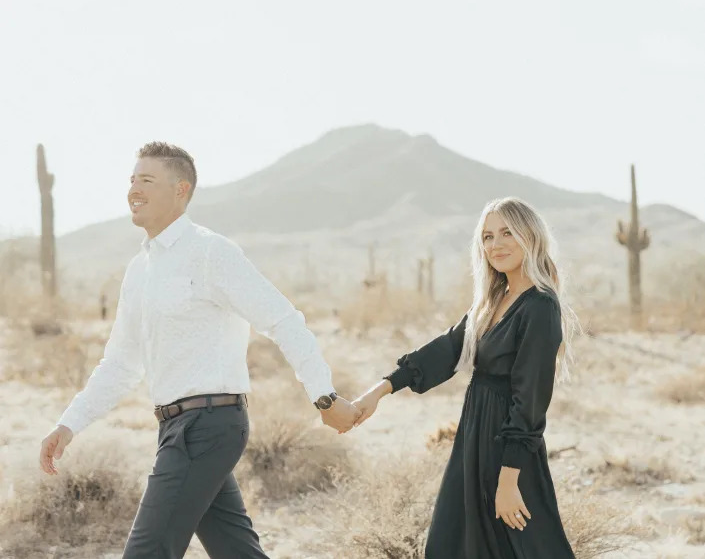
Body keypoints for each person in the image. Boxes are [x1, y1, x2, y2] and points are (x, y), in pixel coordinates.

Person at [38, 142, 361, 559]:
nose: (134, 188)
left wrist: (324, 396)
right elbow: (119, 364)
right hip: (177, 428)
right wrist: (68, 425)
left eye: (147, 180)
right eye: (132, 179)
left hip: (209, 423)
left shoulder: (211, 252)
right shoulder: (140, 270)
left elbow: (283, 320)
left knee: (147, 552)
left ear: (181, 190)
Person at [352, 196, 579, 558]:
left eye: (507, 232)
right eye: (487, 236)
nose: (495, 244)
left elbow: (530, 400)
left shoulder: (540, 306)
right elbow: (446, 349)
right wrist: (379, 391)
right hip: (474, 438)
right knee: (455, 543)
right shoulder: (493, 300)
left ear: (530, 236)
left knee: (527, 547)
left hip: (509, 449)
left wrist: (509, 480)